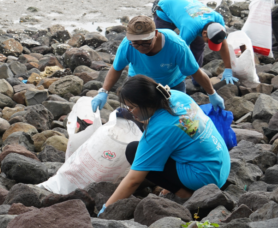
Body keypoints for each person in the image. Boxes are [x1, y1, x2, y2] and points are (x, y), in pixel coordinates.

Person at [99, 76, 231, 212]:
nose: (130, 112)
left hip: (205, 179)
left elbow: (134, 180)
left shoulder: (159, 130)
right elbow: (179, 130)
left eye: (132, 107)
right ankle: (177, 185)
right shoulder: (177, 96)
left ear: (147, 103)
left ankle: (183, 193)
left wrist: (106, 208)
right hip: (222, 164)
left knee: (133, 151)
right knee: (177, 143)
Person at [92, 16, 226, 113]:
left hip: (172, 84)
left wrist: (212, 93)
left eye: (145, 42)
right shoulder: (127, 45)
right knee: (138, 117)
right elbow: (116, 69)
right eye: (136, 43)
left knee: (175, 117)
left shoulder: (176, 45)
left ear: (156, 34)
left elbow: (196, 72)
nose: (141, 47)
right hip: (140, 83)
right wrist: (103, 92)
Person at [153, 0, 236, 84]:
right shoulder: (190, 29)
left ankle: (197, 76)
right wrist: (175, 78)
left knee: (199, 45)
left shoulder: (218, 19)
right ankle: (157, 75)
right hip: (164, 9)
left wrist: (228, 69)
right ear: (204, 33)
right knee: (163, 45)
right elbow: (178, 51)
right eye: (209, 41)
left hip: (185, 9)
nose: (209, 45)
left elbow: (223, 43)